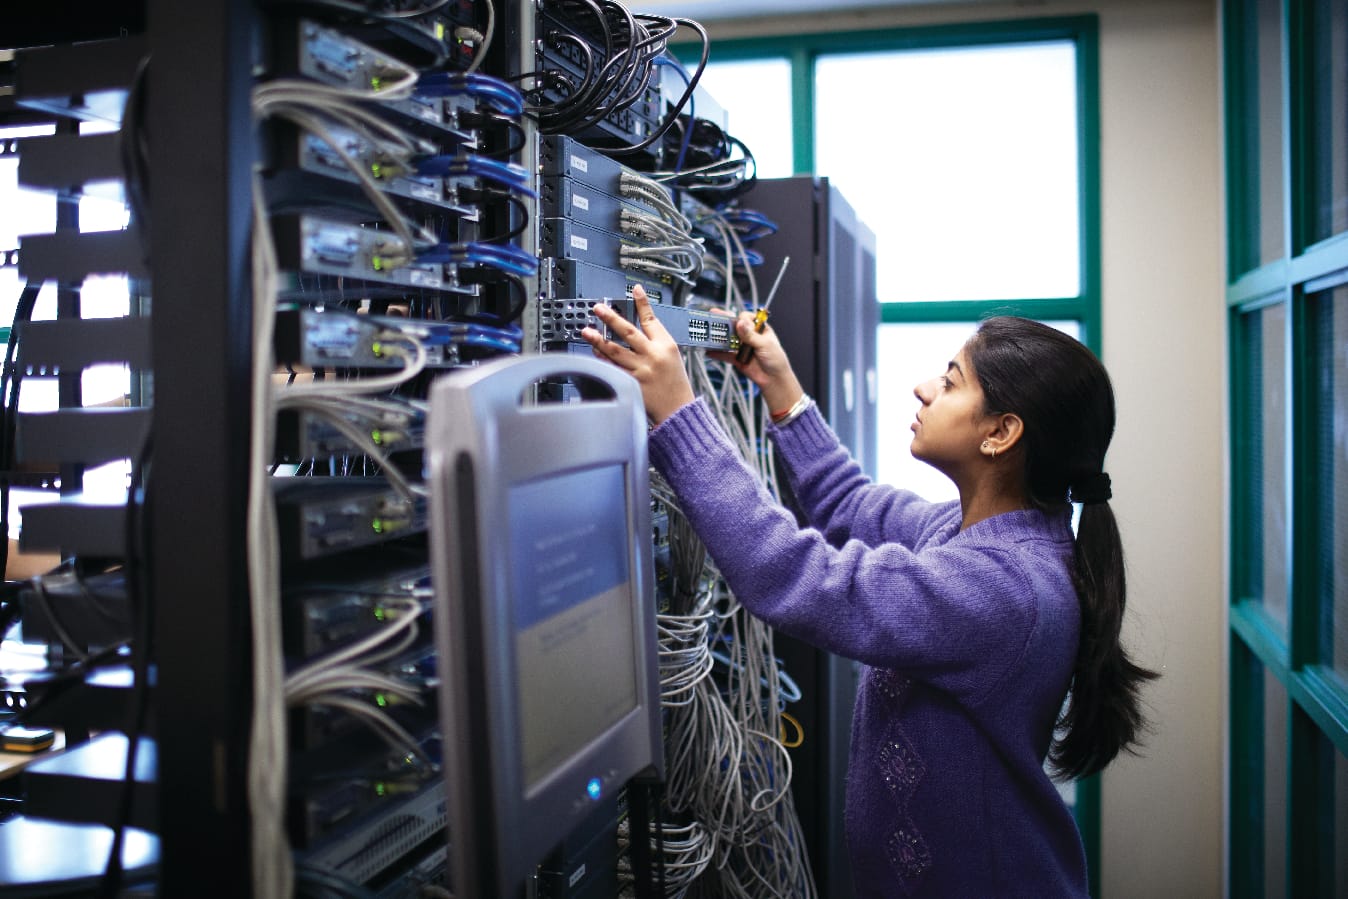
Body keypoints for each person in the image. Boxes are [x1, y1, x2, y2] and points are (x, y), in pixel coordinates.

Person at [580, 285, 1156, 898]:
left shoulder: (1006, 587)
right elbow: (848, 504)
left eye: (951, 383)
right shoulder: (967, 533)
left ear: (1000, 433)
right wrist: (778, 385)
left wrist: (680, 416)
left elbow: (795, 576)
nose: (924, 389)